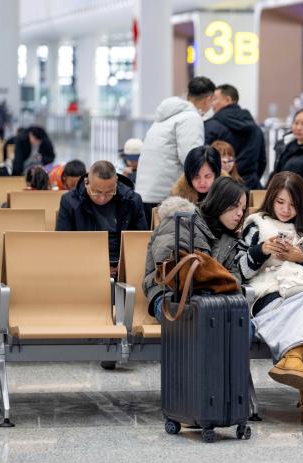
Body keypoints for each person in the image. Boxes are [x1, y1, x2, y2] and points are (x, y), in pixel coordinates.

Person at [237, 172, 303, 419]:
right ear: (271, 199)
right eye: (280, 202)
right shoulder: (256, 223)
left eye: (292, 204)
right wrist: (261, 251)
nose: (286, 209)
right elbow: (239, 270)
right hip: (270, 293)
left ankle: (293, 359)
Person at [142, 176, 248, 322]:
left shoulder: (230, 240)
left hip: (212, 303)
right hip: (170, 297)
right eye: (235, 206)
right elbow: (170, 264)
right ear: (219, 202)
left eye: (243, 209)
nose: (240, 213)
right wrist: (216, 279)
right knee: (203, 320)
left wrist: (210, 279)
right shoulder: (181, 220)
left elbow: (234, 278)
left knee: (243, 324)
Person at [136, 76, 216, 226]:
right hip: (167, 194)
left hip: (147, 191)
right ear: (208, 99)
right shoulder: (191, 118)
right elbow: (192, 159)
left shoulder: (167, 117)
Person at [56, 160, 148, 275]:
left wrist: (126, 266)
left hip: (123, 267)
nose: (102, 198)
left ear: (116, 183)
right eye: (96, 192)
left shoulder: (132, 201)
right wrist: (94, 267)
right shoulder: (70, 202)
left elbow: (141, 242)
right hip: (83, 267)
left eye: (109, 192)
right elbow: (63, 245)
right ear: (86, 182)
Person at [204, 84, 266, 189]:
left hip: (222, 188)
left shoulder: (212, 126)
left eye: (214, 99)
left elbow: (204, 158)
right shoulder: (256, 128)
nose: (212, 105)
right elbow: (262, 161)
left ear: (228, 100)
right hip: (251, 186)